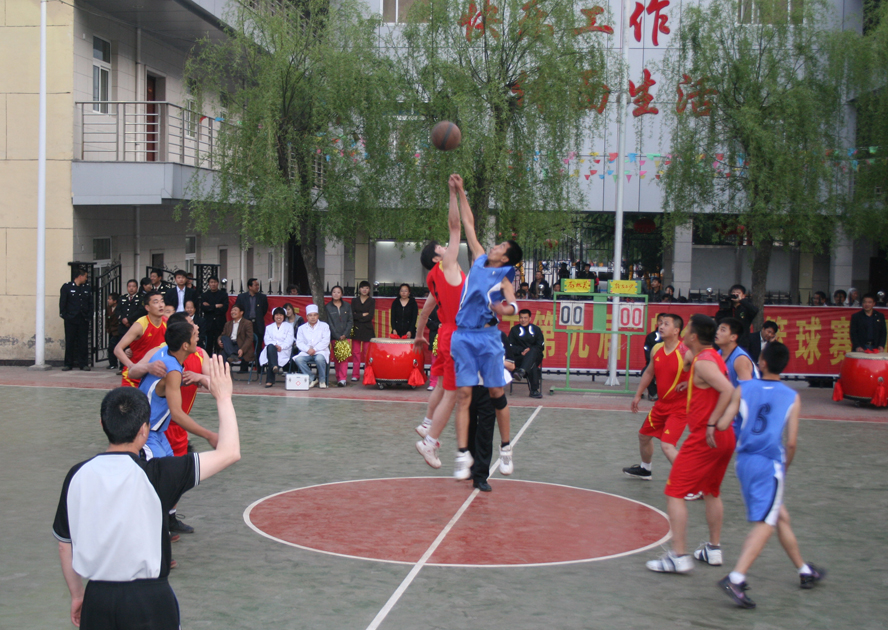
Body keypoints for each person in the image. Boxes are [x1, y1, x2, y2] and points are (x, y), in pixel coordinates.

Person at [53, 357, 239, 629]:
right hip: (149, 600)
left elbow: (64, 543)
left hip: (98, 596)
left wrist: (78, 595)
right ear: (144, 430)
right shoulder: (158, 474)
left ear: (103, 424)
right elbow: (229, 452)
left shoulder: (76, 475)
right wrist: (223, 397)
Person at [711, 342, 826, 607]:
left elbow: (724, 423)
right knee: (766, 522)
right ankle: (736, 578)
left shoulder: (744, 388)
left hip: (744, 463)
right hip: (768, 464)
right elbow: (791, 443)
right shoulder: (791, 397)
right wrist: (784, 468)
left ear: (761, 363)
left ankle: (804, 571)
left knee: (779, 515)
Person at [645, 314, 736, 574]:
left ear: (693, 336)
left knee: (674, 493)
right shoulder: (709, 356)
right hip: (724, 437)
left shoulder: (704, 362)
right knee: (711, 492)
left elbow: (728, 390)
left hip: (706, 436)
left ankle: (679, 556)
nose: (682, 333)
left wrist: (712, 422)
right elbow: (697, 370)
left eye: (686, 331)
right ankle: (713, 549)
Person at [450, 173, 521, 480]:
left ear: (506, 258)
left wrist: (503, 309)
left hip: (488, 337)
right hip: (463, 335)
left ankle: (506, 448)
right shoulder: (479, 259)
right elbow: (468, 223)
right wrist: (460, 191)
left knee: (494, 392)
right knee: (464, 394)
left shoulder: (504, 278)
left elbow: (513, 307)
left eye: (501, 245)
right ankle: (462, 455)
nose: (495, 246)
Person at [413, 174, 469, 468]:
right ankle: (430, 441)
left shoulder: (433, 279)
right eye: (441, 248)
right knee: (453, 393)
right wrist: (454, 193)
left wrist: (418, 334)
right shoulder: (447, 265)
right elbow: (456, 226)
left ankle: (426, 424)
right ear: (437, 258)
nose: (448, 248)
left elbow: (425, 311)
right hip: (457, 335)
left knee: (443, 387)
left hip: (447, 334)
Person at [623, 314, 690, 480]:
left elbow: (703, 373)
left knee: (667, 446)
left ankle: (692, 482)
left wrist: (690, 382)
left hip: (680, 407)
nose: (661, 326)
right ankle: (645, 469)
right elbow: (649, 372)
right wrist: (638, 394)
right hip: (661, 405)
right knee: (643, 436)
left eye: (666, 324)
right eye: (660, 323)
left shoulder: (685, 352)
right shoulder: (656, 348)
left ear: (676, 330)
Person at [469, 325, 516, 492]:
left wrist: (495, 361)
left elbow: (511, 365)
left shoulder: (500, 336)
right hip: (469, 386)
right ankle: (471, 466)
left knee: (485, 431)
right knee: (469, 429)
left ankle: (480, 476)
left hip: (490, 388)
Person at [716, 317, 760, 441]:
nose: (717, 332)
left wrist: (730, 415)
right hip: (730, 410)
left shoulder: (740, 359)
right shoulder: (718, 354)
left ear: (733, 337)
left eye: (722, 330)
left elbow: (747, 393)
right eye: (718, 329)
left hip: (744, 414)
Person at [114, 291, 168, 387]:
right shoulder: (140, 325)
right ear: (147, 307)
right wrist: (131, 366)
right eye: (156, 302)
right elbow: (118, 349)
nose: (161, 305)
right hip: (133, 379)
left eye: (162, 301)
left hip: (153, 377)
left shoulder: (167, 323)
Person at [60, 267, 92, 371]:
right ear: (80, 276)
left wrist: (89, 316)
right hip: (71, 319)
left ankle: (83, 363)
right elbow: (63, 302)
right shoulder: (67, 287)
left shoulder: (86, 288)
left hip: (83, 319)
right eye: (85, 276)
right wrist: (65, 315)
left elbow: (90, 303)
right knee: (70, 341)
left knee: (83, 342)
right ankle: (68, 364)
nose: (86, 279)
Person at [508, 309, 545, 398]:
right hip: (520, 357)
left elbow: (541, 346)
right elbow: (510, 347)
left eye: (525, 318)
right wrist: (522, 351)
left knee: (533, 351)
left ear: (530, 319)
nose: (523, 320)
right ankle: (534, 391)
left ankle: (521, 371)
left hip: (535, 356)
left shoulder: (536, 329)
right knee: (532, 364)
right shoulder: (514, 330)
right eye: (521, 318)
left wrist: (529, 350)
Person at [294, 304, 331, 388]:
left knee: (319, 359)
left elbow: (325, 341)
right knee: (299, 360)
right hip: (306, 352)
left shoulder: (324, 326)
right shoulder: (301, 328)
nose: (313, 317)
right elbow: (299, 342)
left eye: (315, 315)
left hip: (320, 351)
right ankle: (313, 378)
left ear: (318, 316)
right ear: (307, 317)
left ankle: (322, 380)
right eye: (310, 315)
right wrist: (308, 349)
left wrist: (315, 349)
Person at [325, 286, 354, 387]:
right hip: (335, 336)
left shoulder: (347, 306)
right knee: (337, 358)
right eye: (334, 292)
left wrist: (345, 334)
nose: (336, 294)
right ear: (331, 294)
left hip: (345, 336)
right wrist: (337, 335)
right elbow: (329, 323)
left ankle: (342, 379)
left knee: (344, 357)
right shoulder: (328, 307)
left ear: (342, 294)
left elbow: (350, 321)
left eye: (338, 292)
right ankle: (339, 377)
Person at [259, 307, 294, 388]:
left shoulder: (289, 326)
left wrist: (281, 347)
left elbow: (289, 340)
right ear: (273, 316)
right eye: (277, 315)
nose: (279, 317)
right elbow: (267, 339)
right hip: (271, 348)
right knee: (271, 347)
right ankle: (275, 366)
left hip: (284, 349)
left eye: (281, 315)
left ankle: (270, 380)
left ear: (284, 316)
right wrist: (275, 345)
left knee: (271, 357)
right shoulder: (269, 327)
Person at [715, 284, 758, 348]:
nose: (735, 294)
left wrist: (741, 301)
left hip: (742, 342)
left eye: (738, 293)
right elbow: (718, 320)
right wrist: (723, 307)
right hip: (727, 342)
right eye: (733, 293)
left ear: (743, 296)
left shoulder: (746, 308)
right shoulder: (727, 308)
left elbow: (755, 310)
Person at [350, 281, 375, 381]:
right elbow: (352, 315)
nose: (364, 290)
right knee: (356, 353)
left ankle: (367, 374)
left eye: (367, 288)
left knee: (366, 354)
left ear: (369, 290)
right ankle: (355, 375)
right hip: (356, 329)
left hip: (367, 329)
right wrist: (362, 315)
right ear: (359, 289)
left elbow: (370, 316)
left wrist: (358, 316)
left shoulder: (372, 301)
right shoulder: (354, 300)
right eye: (362, 288)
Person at [218, 304, 255, 370]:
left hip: (240, 346)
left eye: (235, 310)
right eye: (232, 310)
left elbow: (249, 338)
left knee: (223, 353)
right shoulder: (228, 324)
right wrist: (219, 341)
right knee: (224, 338)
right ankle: (233, 355)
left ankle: (224, 372)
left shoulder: (247, 323)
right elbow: (222, 335)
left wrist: (242, 349)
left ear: (241, 312)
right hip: (229, 345)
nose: (233, 312)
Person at [235, 278, 269, 351]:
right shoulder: (241, 297)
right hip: (245, 323)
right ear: (250, 287)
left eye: (258, 285)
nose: (257, 287)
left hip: (258, 324)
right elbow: (237, 309)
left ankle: (258, 358)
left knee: (258, 345)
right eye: (255, 285)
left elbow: (264, 310)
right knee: (244, 344)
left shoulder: (262, 297)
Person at [200, 276, 228, 356]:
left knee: (219, 344)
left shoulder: (223, 294)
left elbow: (224, 309)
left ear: (218, 283)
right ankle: (208, 361)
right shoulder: (205, 295)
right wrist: (215, 306)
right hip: (209, 323)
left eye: (215, 282)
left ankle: (219, 361)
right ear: (209, 284)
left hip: (220, 323)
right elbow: (204, 309)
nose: (213, 284)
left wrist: (210, 307)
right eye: (211, 282)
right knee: (208, 345)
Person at [642, 315, 664, 400]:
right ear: (657, 322)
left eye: (665, 322)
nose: (662, 323)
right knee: (645, 371)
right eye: (660, 321)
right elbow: (647, 351)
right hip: (653, 363)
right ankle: (653, 393)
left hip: (668, 364)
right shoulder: (650, 336)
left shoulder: (670, 336)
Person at [106, 293, 121, 370]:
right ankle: (112, 363)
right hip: (111, 330)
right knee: (111, 348)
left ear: (115, 301)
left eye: (110, 299)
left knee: (116, 347)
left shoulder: (119, 308)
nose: (108, 300)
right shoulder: (108, 308)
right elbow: (107, 319)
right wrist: (107, 328)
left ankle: (120, 364)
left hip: (117, 331)